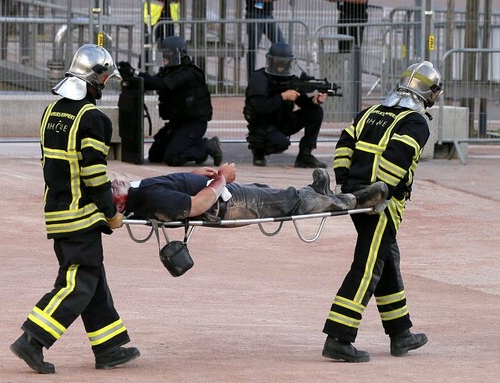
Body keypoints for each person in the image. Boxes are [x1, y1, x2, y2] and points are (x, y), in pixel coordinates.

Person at [9, 44, 140, 374]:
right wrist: (110, 213)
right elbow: (95, 174)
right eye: (105, 79)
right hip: (82, 215)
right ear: (93, 79)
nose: (105, 85)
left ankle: (109, 346)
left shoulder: (51, 113)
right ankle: (33, 339)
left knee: (92, 280)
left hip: (56, 211)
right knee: (78, 282)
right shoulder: (93, 118)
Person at [321, 61, 443, 362]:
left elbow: (344, 144)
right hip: (381, 205)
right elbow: (397, 159)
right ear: (430, 93)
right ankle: (339, 336)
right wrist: (380, 191)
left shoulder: (370, 113)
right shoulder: (415, 121)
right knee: (368, 266)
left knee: (387, 260)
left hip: (357, 199)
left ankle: (400, 333)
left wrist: (346, 184)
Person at [111, 165, 389, 223]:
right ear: (120, 204)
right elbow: (197, 205)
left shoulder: (139, 191)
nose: (114, 183)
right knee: (290, 202)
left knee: (276, 194)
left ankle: (317, 193)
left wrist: (194, 175)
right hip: (228, 203)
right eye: (112, 190)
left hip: (228, 196)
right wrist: (222, 179)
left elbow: (173, 186)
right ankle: (354, 200)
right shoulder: (149, 199)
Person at [117, 36, 223, 167]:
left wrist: (135, 72)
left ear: (179, 53)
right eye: (163, 54)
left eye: (168, 54)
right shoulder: (170, 71)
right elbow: (152, 83)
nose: (165, 57)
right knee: (155, 155)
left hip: (193, 124)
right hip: (177, 123)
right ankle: (191, 146)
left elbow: (162, 85)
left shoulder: (188, 73)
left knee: (172, 157)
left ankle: (206, 146)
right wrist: (131, 74)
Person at [244, 42, 328, 168]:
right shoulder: (259, 78)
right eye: (278, 64)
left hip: (284, 121)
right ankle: (258, 151)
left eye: (284, 64)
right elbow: (260, 107)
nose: (281, 68)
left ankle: (305, 155)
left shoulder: (290, 79)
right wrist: (282, 96)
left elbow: (303, 102)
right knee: (281, 143)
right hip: (263, 125)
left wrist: (314, 101)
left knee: (316, 112)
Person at [245, 0, 285, 79]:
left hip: (268, 14)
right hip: (254, 13)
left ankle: (277, 76)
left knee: (280, 43)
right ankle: (251, 79)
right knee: (253, 48)